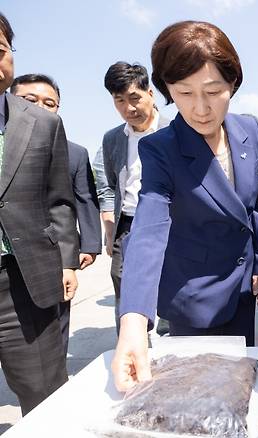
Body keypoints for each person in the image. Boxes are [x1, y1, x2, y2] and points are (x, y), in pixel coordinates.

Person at [112, 20, 258, 392]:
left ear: (233, 83)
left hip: (243, 289)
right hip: (193, 295)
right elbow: (149, 228)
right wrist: (134, 319)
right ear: (166, 90)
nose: (200, 109)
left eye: (214, 91)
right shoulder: (161, 149)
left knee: (241, 392)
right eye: (184, 93)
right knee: (197, 396)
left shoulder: (250, 129)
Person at [0, 12, 79, 414]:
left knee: (44, 393)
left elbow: (59, 200)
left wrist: (67, 261)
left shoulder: (43, 124)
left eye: (0, 50)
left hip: (22, 283)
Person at [11, 73, 103, 352]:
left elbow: (83, 198)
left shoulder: (74, 153)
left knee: (55, 322)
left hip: (51, 251)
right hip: (10, 252)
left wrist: (88, 245)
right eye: (30, 100)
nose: (40, 107)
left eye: (50, 103)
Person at [101, 62, 169, 332]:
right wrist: (109, 226)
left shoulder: (175, 129)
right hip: (127, 226)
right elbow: (108, 184)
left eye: (134, 98)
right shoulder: (113, 139)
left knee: (170, 290)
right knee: (124, 289)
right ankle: (131, 347)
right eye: (119, 101)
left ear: (150, 93)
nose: (128, 108)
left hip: (168, 222)